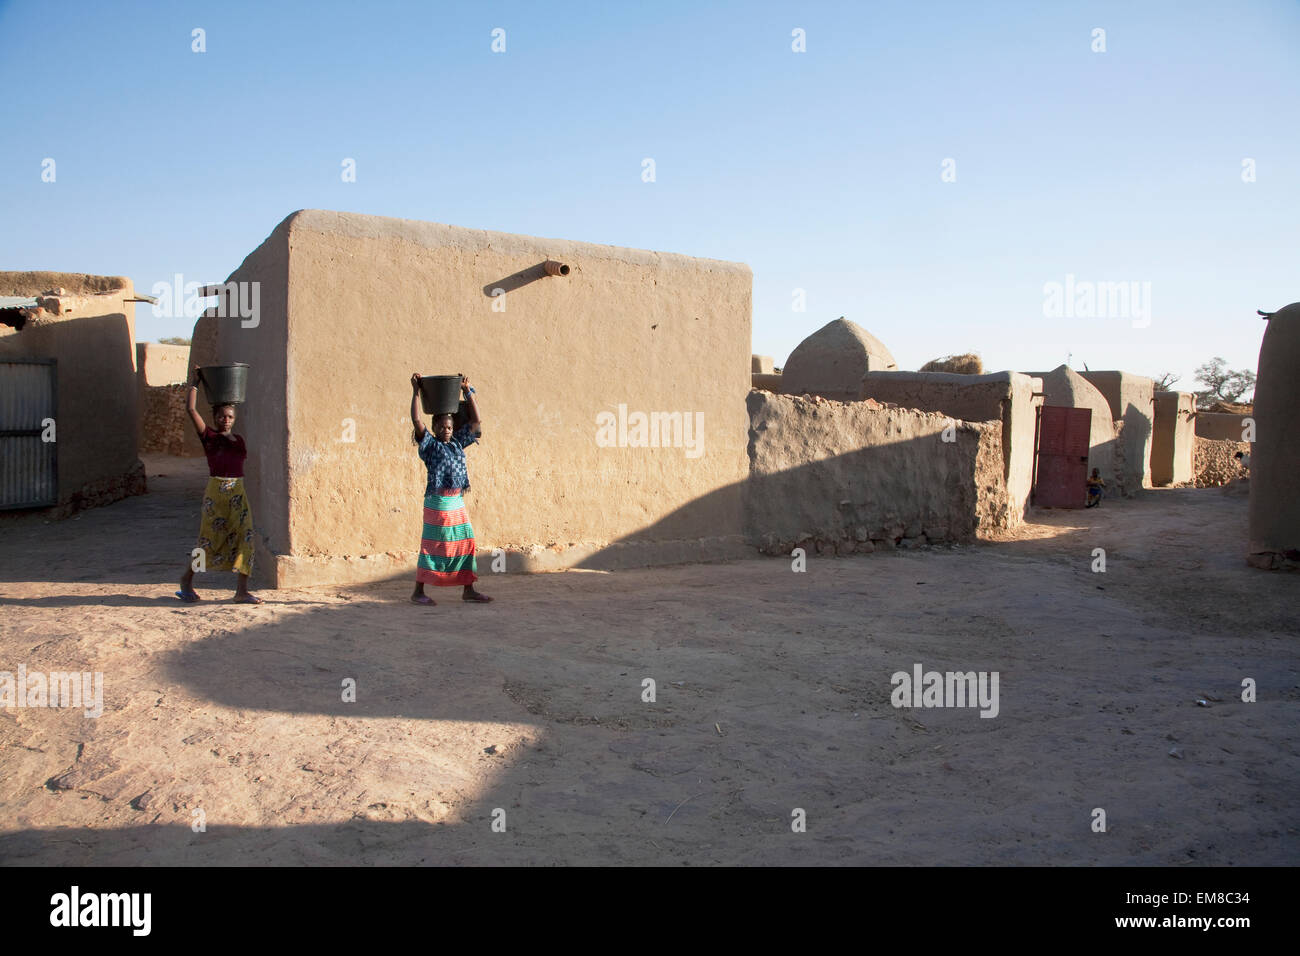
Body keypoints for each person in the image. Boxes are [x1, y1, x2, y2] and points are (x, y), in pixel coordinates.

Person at [176, 366, 261, 604]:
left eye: (230, 417)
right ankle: (187, 579)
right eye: (222, 416)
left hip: (238, 493)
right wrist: (195, 382)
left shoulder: (239, 440)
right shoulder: (209, 437)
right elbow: (191, 409)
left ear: (235, 418)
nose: (226, 420)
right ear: (214, 418)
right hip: (216, 494)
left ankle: (241, 591)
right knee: (207, 540)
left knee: (246, 538)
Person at [409, 373, 492, 605]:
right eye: (442, 426)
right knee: (433, 545)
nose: (446, 430)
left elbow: (476, 422)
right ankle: (418, 591)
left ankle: (468, 589)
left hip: (457, 502)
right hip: (438, 503)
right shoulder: (431, 446)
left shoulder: (457, 443)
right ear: (434, 428)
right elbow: (416, 420)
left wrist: (467, 391)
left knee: (465, 542)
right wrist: (416, 391)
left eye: (449, 426)